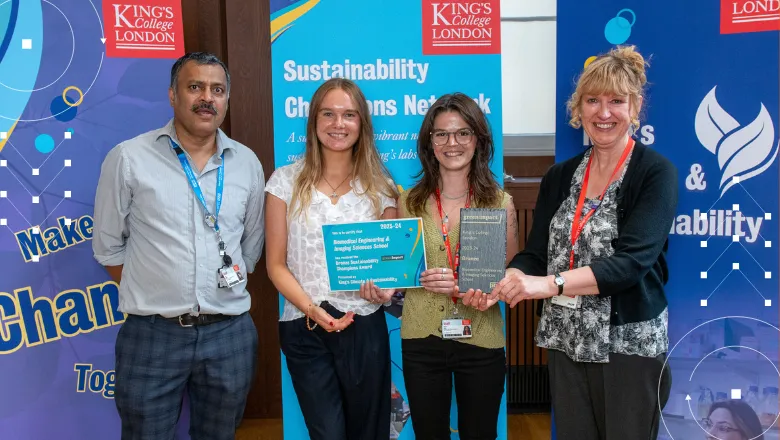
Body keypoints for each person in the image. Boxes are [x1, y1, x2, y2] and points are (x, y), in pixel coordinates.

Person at [492, 45, 677, 439]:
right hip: (565, 337)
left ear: (635, 106)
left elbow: (630, 264)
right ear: (579, 109)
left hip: (627, 342)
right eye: (592, 100)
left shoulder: (655, 173)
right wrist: (511, 276)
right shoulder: (559, 176)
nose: (603, 112)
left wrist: (550, 284)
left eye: (616, 101)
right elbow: (535, 254)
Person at [92, 52, 265, 439]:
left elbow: (250, 247)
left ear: (227, 100)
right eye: (195, 87)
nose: (207, 97)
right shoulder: (129, 158)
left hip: (229, 334)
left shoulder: (247, 163)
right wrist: (158, 292)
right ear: (172, 95)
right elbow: (107, 248)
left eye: (217, 90)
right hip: (153, 334)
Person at [265, 77, 399, 440]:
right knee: (327, 433)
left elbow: (387, 269)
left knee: (368, 432)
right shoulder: (284, 182)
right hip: (304, 325)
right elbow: (275, 264)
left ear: (362, 124)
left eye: (349, 115)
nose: (338, 124)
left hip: (363, 326)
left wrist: (383, 290)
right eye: (328, 114)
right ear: (314, 121)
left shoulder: (382, 189)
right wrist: (311, 309)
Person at [398, 92, 519, 440]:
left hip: (481, 338)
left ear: (478, 140)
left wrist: (479, 289)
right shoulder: (408, 201)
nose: (452, 143)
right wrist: (404, 280)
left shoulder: (500, 203)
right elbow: (398, 272)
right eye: (441, 134)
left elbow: (508, 277)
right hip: (421, 337)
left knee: (480, 434)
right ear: (430, 143)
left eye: (463, 133)